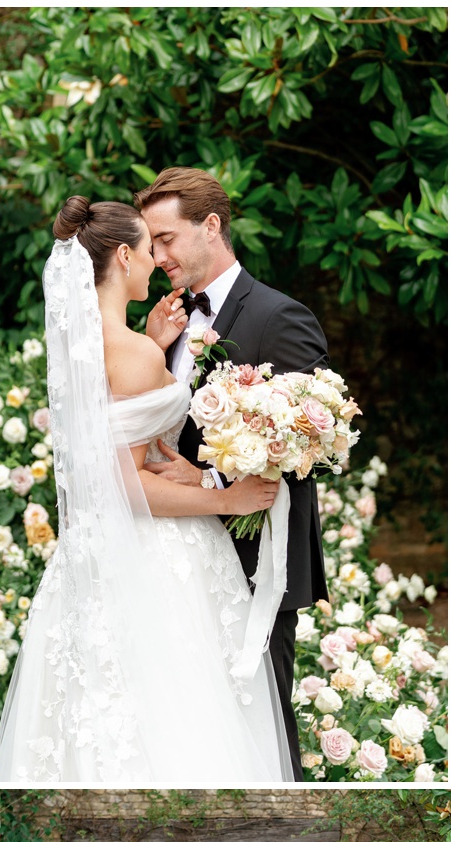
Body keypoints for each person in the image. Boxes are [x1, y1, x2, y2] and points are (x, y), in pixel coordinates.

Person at [0, 197, 289, 784]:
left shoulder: (82, 349)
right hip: (156, 556)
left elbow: (108, 460)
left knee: (93, 709)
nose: (157, 260)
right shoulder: (134, 355)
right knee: (179, 714)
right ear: (124, 255)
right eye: (149, 249)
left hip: (88, 559)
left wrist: (153, 343)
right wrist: (224, 499)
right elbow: (127, 486)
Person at [137, 167, 330, 781]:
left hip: (254, 565)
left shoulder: (280, 318)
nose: (157, 254)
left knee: (265, 730)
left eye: (166, 238)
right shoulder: (163, 323)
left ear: (211, 226)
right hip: (175, 560)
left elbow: (310, 445)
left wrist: (213, 483)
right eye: (150, 242)